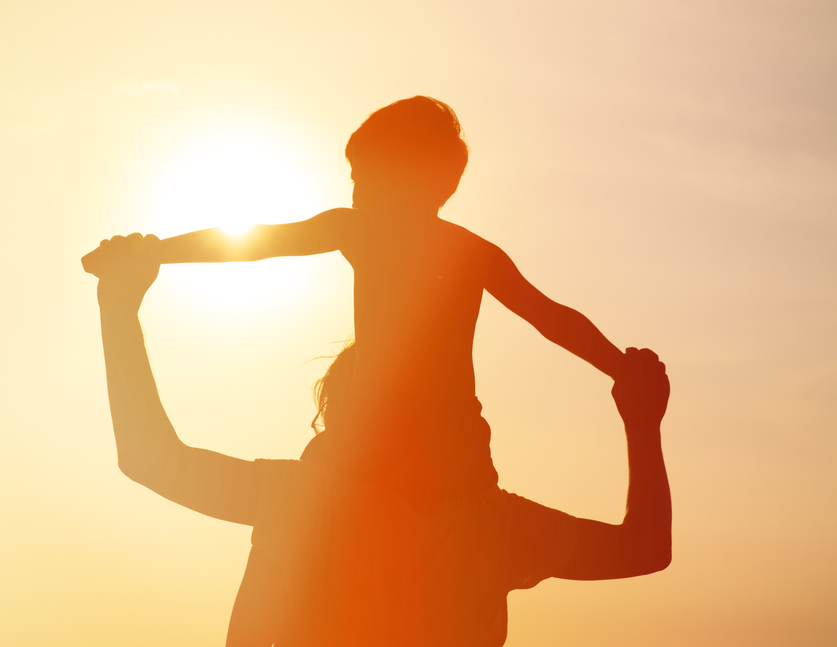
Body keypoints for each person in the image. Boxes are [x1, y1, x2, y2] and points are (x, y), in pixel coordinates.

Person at [94, 233, 672, 647]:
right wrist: (642, 425)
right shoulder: (494, 527)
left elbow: (150, 458)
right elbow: (645, 548)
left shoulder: (306, 502)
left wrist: (118, 304)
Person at [82, 96, 628, 508]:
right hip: (453, 453)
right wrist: (620, 367)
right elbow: (552, 318)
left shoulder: (367, 231)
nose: (355, 189)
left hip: (387, 448)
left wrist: (153, 252)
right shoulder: (469, 251)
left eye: (363, 175)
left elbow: (254, 243)